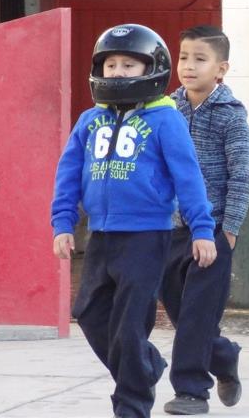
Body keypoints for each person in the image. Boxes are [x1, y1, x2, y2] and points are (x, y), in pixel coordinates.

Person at [51, 24, 217, 418]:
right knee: (90, 314)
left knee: (129, 325)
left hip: (146, 236)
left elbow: (188, 177)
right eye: (111, 64)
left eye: (129, 64)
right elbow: (68, 173)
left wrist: (202, 229)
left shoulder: (166, 120)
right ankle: (145, 367)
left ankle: (131, 405)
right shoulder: (89, 121)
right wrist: (62, 223)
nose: (119, 72)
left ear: (152, 69)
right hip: (102, 236)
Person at [160, 25, 249, 415]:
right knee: (184, 318)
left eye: (200, 59)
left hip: (212, 232)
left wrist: (228, 229)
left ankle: (191, 392)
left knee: (198, 315)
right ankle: (224, 355)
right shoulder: (165, 109)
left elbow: (240, 176)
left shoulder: (230, 115)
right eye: (183, 57)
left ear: (222, 69)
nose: (188, 66)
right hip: (169, 232)